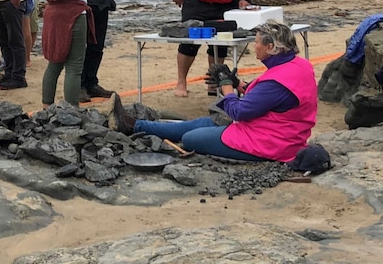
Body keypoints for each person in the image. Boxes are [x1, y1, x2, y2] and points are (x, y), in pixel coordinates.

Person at [118, 21, 317, 162]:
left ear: (270, 46)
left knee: (191, 138)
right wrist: (238, 84)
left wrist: (225, 85)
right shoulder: (298, 65)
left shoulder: (276, 81)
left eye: (257, 42)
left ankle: (135, 126)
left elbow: (239, 111)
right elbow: (269, 100)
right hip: (275, 131)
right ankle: (135, 125)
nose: (254, 46)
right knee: (200, 123)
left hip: (268, 142)